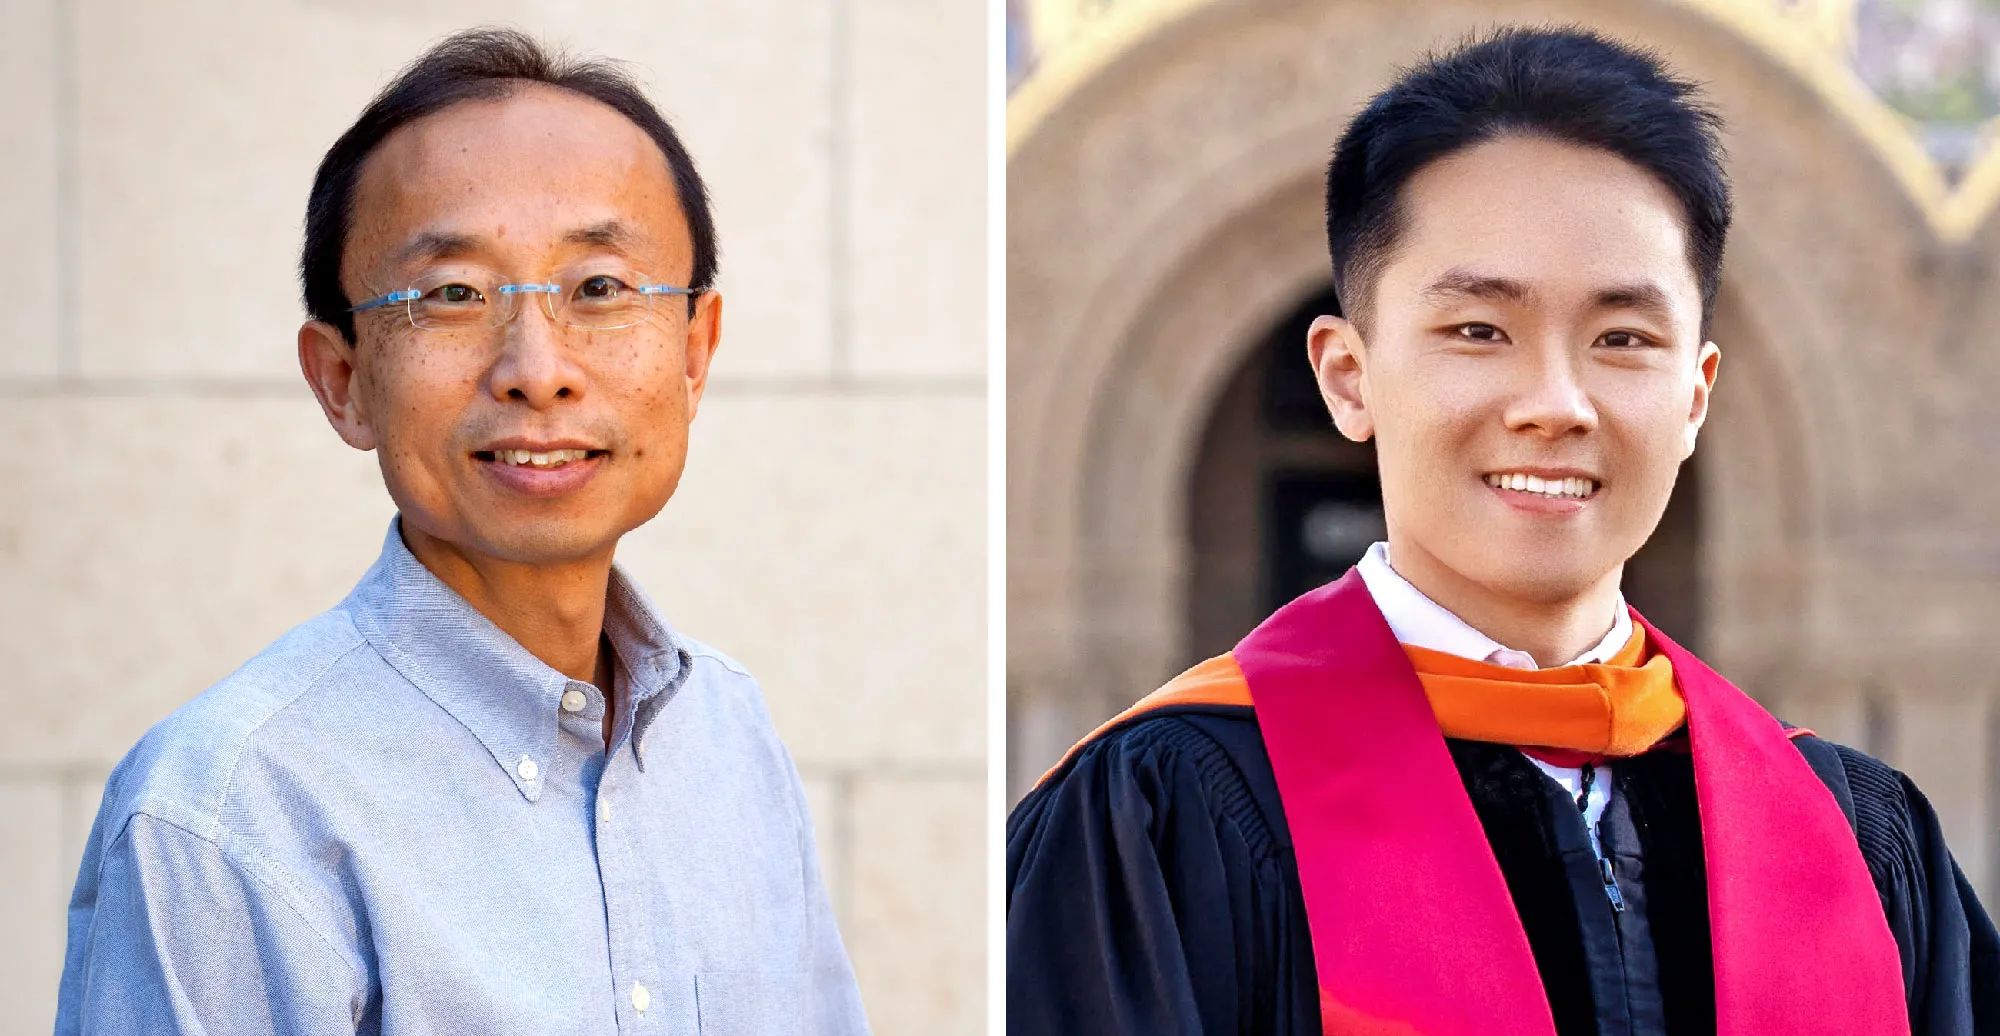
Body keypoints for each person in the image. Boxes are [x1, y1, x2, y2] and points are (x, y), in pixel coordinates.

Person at [1008, 27, 1997, 1036]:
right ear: (1348, 375)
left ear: (1694, 396)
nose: (1555, 403)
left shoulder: (1852, 840)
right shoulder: (1162, 816)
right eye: (1479, 330)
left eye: (1621, 338)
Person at [55, 29, 868, 1035]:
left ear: (694, 353)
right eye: (453, 295)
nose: (537, 367)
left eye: (600, 289)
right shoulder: (228, 812)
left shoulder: (729, 738)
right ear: (342, 380)